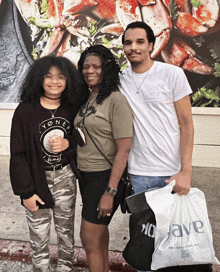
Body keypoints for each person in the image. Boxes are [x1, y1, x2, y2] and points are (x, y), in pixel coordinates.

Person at [120, 21, 195, 272]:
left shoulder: (171, 74)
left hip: (172, 175)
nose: (134, 47)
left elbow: (186, 125)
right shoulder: (120, 80)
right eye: (128, 43)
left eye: (140, 42)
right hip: (139, 175)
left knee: (175, 247)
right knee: (145, 247)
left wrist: (186, 171)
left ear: (152, 45)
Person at [10, 56, 87, 272]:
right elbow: (18, 155)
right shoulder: (25, 111)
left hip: (65, 178)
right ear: (39, 79)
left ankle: (65, 268)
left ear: (68, 80)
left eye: (61, 77)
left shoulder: (73, 109)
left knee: (66, 232)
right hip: (37, 180)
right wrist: (25, 192)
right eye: (49, 77)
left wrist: (67, 143)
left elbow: (82, 140)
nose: (55, 81)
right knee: (39, 235)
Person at [74, 44, 133, 272]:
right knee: (99, 236)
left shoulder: (116, 100)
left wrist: (110, 191)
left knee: (89, 238)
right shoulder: (89, 98)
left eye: (96, 67)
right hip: (86, 177)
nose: (89, 71)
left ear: (106, 69)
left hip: (104, 178)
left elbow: (124, 149)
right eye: (85, 66)